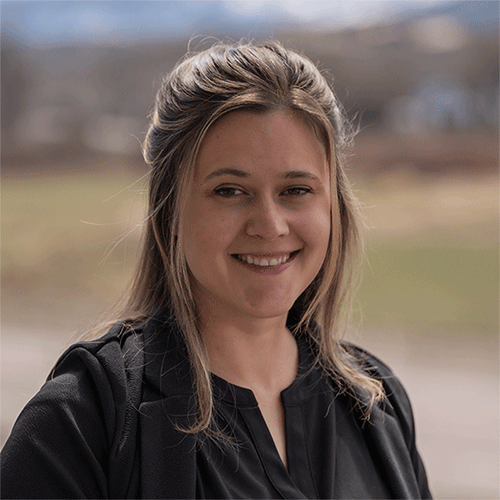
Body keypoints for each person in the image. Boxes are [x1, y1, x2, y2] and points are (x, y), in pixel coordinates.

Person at [1, 40, 431, 499]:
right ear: (171, 210)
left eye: (296, 190)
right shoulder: (83, 420)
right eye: (229, 190)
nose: (269, 226)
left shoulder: (378, 404)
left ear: (333, 206)